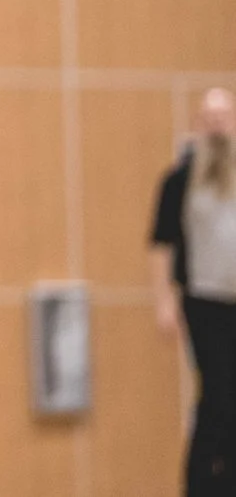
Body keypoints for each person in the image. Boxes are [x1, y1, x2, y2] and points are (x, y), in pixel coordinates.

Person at [153, 87, 236, 497]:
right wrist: (165, 299)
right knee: (219, 390)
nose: (218, 125)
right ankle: (203, 484)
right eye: (210, 117)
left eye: (225, 116)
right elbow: (163, 242)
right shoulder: (181, 179)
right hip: (205, 301)